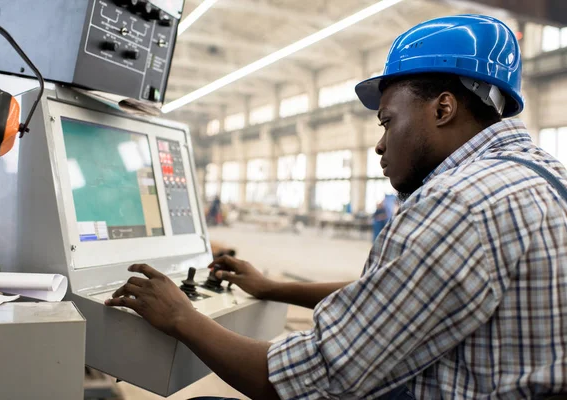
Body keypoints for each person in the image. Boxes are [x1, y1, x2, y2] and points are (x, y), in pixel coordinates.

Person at [106, 15, 567, 399]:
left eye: (388, 121)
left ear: (443, 108)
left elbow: (316, 380)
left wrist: (181, 317)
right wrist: (273, 288)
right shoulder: (541, 175)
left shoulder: (458, 203)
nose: (380, 145)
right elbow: (396, 292)